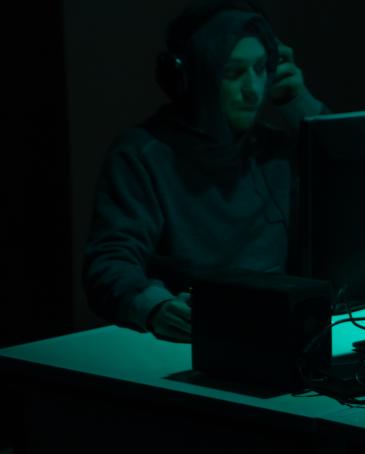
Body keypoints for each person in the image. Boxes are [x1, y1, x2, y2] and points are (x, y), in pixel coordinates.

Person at [83, 0, 327, 343]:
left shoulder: (276, 149)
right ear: (190, 77)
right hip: (188, 342)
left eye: (261, 68)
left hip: (278, 331)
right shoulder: (143, 154)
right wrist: (154, 307)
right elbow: (108, 260)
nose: (252, 89)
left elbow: (356, 186)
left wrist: (300, 103)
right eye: (233, 72)